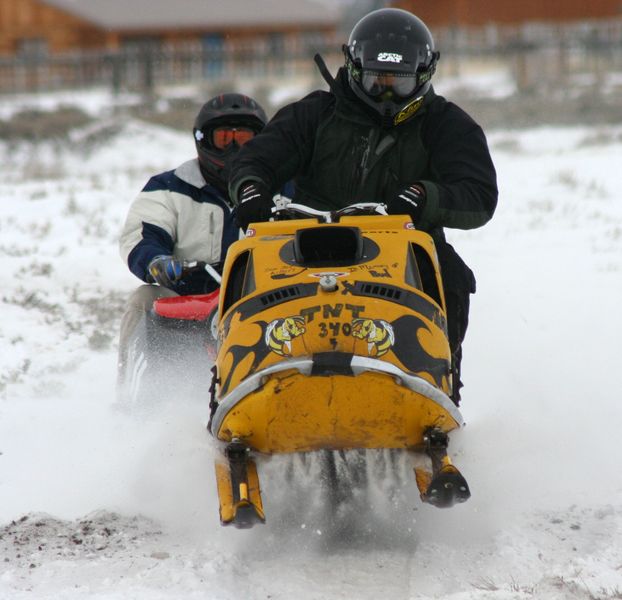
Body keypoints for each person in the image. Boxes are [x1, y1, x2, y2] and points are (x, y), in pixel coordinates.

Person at [228, 8, 498, 405]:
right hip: (306, 235)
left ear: (423, 78)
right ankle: (238, 375)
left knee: (451, 277)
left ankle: (440, 382)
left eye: (398, 84)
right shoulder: (315, 113)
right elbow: (256, 158)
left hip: (403, 241)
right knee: (241, 266)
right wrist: (249, 188)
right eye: (375, 81)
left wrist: (425, 197)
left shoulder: (445, 124)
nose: (386, 94)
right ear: (353, 70)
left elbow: (479, 194)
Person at [116, 93, 268, 394]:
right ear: (204, 140)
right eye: (225, 138)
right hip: (192, 297)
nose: (235, 148)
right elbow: (141, 233)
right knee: (144, 299)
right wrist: (155, 261)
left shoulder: (285, 187)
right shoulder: (169, 187)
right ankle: (130, 397)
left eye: (245, 138)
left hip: (267, 295)